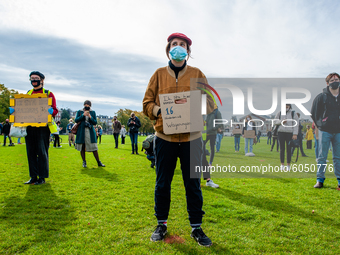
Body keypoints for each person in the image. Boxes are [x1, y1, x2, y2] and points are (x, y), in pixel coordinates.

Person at [143, 32, 214, 247]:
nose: (178, 47)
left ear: (188, 51)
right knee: (162, 183)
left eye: (182, 44)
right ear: (168, 49)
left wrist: (197, 105)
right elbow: (146, 103)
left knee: (193, 185)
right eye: (174, 44)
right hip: (164, 138)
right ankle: (161, 224)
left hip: (192, 139)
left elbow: (210, 104)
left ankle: (196, 227)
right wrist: (159, 111)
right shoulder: (157, 74)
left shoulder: (197, 73)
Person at [23, 71, 58, 185]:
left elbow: (55, 110)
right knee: (31, 152)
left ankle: (42, 177)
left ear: (42, 80)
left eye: (36, 78)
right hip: (30, 126)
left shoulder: (48, 93)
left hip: (43, 127)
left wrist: (50, 111)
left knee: (42, 152)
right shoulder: (28, 93)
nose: (33, 80)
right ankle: (33, 176)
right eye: (31, 78)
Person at [311, 72, 340, 189]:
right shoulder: (321, 97)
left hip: (338, 131)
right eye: (332, 80)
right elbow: (314, 113)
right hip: (325, 131)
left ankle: (339, 180)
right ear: (327, 83)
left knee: (338, 157)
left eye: (336, 79)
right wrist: (321, 125)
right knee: (322, 156)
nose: (335, 82)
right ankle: (320, 180)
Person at [75, 100, 105, 168]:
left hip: (90, 131)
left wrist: (90, 116)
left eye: (88, 106)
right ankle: (84, 162)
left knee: (94, 147)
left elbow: (95, 122)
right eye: (86, 106)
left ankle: (98, 162)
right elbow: (76, 120)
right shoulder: (79, 111)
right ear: (84, 105)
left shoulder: (93, 112)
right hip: (81, 131)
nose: (87, 107)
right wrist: (83, 115)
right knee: (82, 146)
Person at [274, 104, 299, 171]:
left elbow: (296, 124)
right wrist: (281, 122)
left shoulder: (293, 114)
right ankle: (282, 165)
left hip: (289, 132)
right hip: (281, 132)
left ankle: (288, 165)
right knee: (282, 149)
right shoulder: (279, 113)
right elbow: (275, 121)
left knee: (289, 149)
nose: (286, 108)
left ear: (289, 106)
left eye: (287, 106)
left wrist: (295, 134)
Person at [203, 105, 221, 188]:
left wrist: (214, 128)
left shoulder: (217, 112)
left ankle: (210, 163)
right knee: (200, 151)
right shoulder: (207, 112)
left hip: (212, 133)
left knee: (211, 149)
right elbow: (205, 121)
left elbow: (220, 122)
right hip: (205, 133)